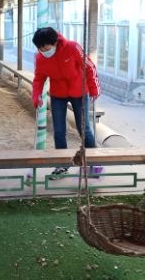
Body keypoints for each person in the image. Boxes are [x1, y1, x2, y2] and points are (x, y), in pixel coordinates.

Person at [31, 27, 101, 179]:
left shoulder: (72, 47)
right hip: (58, 94)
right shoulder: (40, 58)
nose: (44, 51)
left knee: (84, 128)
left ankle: (94, 163)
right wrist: (36, 96)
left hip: (79, 92)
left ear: (55, 42)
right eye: (40, 48)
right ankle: (62, 165)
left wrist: (94, 88)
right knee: (59, 130)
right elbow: (38, 78)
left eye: (46, 47)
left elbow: (89, 67)